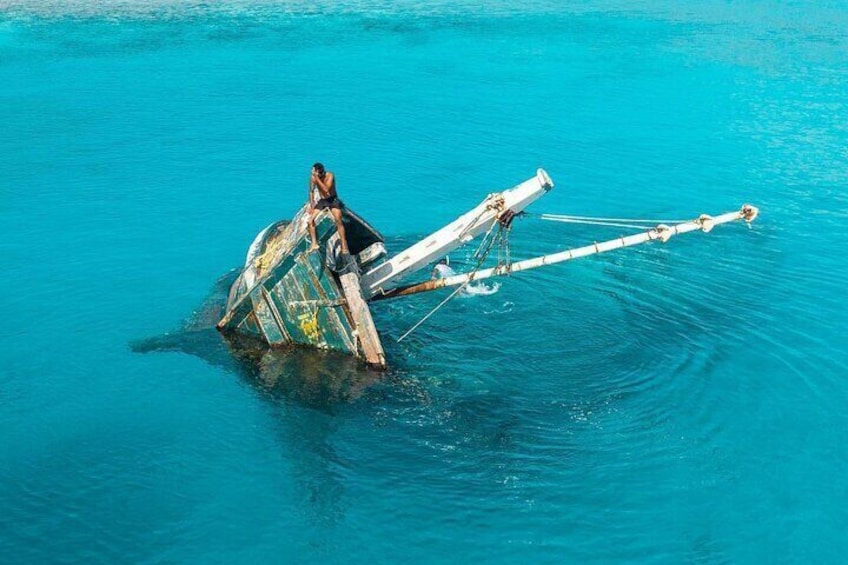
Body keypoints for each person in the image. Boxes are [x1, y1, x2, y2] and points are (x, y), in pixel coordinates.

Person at [307, 162, 349, 255]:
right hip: (322, 201)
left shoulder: (330, 176)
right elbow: (311, 191)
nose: (313, 174)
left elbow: (326, 190)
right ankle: (314, 243)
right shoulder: (313, 178)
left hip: (332, 200)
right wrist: (312, 204)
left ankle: (343, 244)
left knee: (338, 220)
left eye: (315, 173)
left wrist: (317, 178)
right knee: (310, 221)